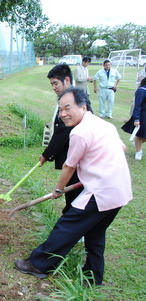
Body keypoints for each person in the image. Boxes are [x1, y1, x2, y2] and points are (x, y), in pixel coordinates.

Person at [15, 87, 132, 286]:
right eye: (60, 110)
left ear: (83, 107)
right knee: (95, 233)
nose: (63, 114)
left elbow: (69, 165)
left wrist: (58, 189)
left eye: (67, 108)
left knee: (66, 227)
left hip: (100, 192)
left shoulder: (79, 132)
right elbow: (122, 147)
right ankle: (93, 277)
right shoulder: (104, 125)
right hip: (119, 191)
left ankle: (39, 264)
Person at [40, 64, 83, 214]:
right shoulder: (66, 99)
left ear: (66, 80)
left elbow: (62, 133)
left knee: (77, 194)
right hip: (71, 155)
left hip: (79, 157)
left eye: (55, 83)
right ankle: (71, 215)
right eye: (51, 84)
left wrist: (47, 155)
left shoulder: (77, 102)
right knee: (71, 193)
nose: (53, 87)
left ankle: (75, 222)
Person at [122, 77, 146, 160]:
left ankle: (136, 144)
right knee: (140, 135)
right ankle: (138, 152)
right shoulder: (141, 90)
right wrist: (136, 119)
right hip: (142, 115)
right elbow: (138, 106)